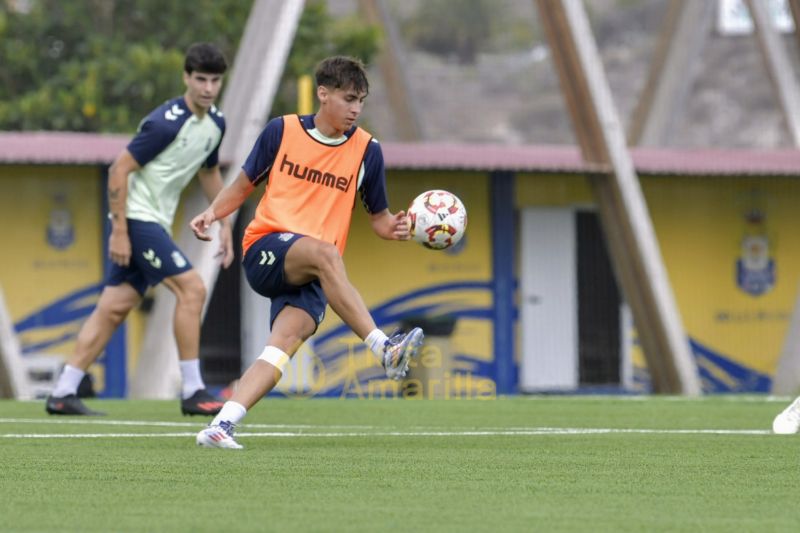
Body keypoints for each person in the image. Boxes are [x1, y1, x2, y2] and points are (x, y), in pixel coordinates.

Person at [190, 56, 424, 449]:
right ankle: (384, 348)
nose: (355, 109)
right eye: (349, 98)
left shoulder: (368, 150)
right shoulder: (282, 131)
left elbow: (380, 220)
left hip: (313, 272)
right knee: (327, 254)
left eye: (361, 101)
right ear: (323, 93)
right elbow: (243, 185)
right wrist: (212, 213)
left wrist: (400, 228)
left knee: (280, 351)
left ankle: (220, 426)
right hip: (267, 247)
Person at [45, 43, 233, 417]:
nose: (208, 88)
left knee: (113, 308)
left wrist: (224, 219)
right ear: (186, 78)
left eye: (215, 80)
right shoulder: (165, 121)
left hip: (152, 222)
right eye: (200, 79)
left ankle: (63, 392)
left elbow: (209, 172)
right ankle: (194, 390)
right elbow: (119, 169)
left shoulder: (216, 124)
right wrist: (118, 230)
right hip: (136, 219)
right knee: (192, 288)